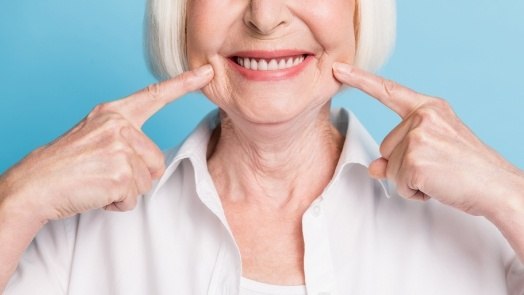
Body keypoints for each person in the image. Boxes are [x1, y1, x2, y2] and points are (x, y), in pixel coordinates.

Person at [1, 0, 523, 293]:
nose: (265, 16)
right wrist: (17, 198)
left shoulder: (490, 232)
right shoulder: (69, 238)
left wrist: (510, 195)